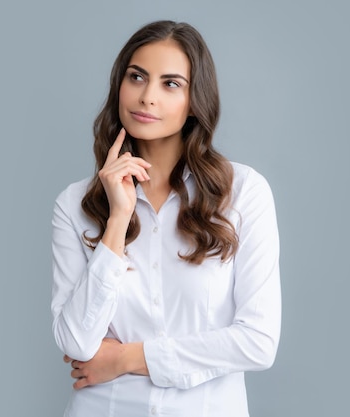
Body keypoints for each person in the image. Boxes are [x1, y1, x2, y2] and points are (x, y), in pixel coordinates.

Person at [51, 20, 281, 417]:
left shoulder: (244, 192)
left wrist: (126, 358)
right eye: (136, 77)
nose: (147, 97)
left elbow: (257, 341)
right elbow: (76, 343)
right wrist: (118, 220)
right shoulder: (74, 204)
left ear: (195, 100)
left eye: (170, 83)